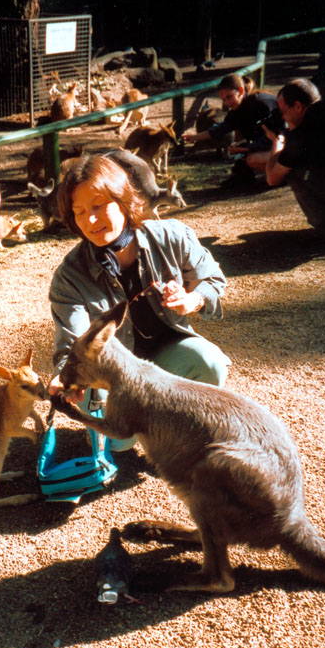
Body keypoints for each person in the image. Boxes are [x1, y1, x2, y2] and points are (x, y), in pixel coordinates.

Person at [48, 153, 231, 451]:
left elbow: (213, 279)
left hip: (170, 355)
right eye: (79, 212)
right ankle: (147, 423)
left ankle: (176, 433)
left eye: (98, 205)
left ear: (123, 200)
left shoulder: (171, 236)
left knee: (208, 363)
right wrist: (63, 377)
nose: (90, 220)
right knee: (118, 442)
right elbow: (72, 342)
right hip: (113, 375)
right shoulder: (70, 276)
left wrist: (193, 300)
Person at [183, 73, 284, 189]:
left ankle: (284, 176)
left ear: (240, 91)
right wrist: (195, 137)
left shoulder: (260, 103)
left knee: (252, 159)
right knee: (243, 147)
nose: (227, 103)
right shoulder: (238, 110)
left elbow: (276, 136)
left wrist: (247, 148)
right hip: (273, 144)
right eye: (223, 99)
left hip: (286, 144)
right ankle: (248, 176)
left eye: (229, 97)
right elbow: (221, 129)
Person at [265, 78, 325, 237]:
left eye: (282, 112)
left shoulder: (302, 134)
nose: (282, 118)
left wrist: (277, 144)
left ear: (297, 106)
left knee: (291, 170)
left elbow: (272, 178)